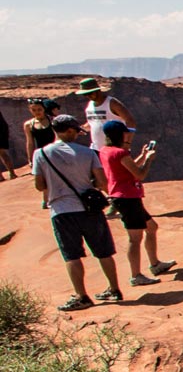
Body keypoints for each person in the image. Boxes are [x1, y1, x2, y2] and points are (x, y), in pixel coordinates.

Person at [32, 114, 123, 311]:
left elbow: (39, 185)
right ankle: (114, 289)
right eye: (75, 132)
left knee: (71, 255)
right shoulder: (88, 153)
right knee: (103, 251)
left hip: (61, 211)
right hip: (89, 209)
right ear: (70, 130)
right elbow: (101, 182)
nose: (77, 135)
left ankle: (82, 296)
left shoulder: (41, 154)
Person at [98, 120, 175, 286]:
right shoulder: (120, 153)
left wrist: (141, 155)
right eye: (126, 133)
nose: (129, 135)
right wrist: (149, 160)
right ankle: (136, 275)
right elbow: (139, 175)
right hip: (127, 198)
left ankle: (155, 264)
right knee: (135, 238)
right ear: (121, 135)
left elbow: (127, 168)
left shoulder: (106, 151)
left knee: (151, 227)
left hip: (123, 196)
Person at [77, 77, 135, 151]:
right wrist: (80, 129)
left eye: (90, 93)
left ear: (98, 90)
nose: (88, 96)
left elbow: (130, 121)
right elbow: (93, 122)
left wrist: (127, 143)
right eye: (85, 94)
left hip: (115, 149)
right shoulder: (90, 105)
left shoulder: (112, 103)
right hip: (96, 149)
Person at [24, 99, 56, 208]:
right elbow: (30, 142)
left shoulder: (52, 121)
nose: (37, 112)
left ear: (44, 109)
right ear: (30, 110)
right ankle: (46, 200)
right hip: (40, 153)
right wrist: (30, 159)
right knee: (43, 177)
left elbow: (57, 137)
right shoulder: (28, 125)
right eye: (34, 110)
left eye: (39, 109)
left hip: (54, 152)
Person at [0, 110, 17, 181]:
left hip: (1, 130)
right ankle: (11, 173)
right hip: (2, 130)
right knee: (2, 153)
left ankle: (11, 173)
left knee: (2, 153)